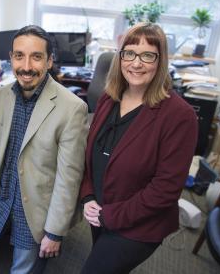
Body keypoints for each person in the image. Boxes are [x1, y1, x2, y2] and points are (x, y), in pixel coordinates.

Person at [0, 25, 88, 274]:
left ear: (49, 61)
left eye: (36, 57)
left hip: (36, 209)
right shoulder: (2, 96)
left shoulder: (72, 109)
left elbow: (68, 178)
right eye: (19, 56)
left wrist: (54, 232)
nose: (26, 66)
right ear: (11, 58)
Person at [79, 22, 198, 274]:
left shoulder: (179, 116)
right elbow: (92, 155)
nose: (136, 63)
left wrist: (110, 216)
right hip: (99, 210)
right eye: (129, 53)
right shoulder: (108, 98)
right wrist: (88, 195)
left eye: (147, 55)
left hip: (138, 226)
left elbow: (165, 190)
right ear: (120, 57)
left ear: (160, 60)